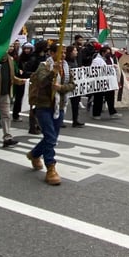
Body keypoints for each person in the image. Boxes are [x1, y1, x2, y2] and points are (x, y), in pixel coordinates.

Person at [27, 43, 75, 185]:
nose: (64, 55)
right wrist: (52, 73)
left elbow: (73, 84)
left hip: (59, 106)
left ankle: (35, 154)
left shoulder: (66, 68)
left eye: (65, 52)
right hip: (44, 106)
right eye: (61, 52)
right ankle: (51, 167)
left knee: (52, 137)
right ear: (52, 53)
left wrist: (61, 87)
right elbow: (41, 81)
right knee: (50, 136)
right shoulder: (44, 66)